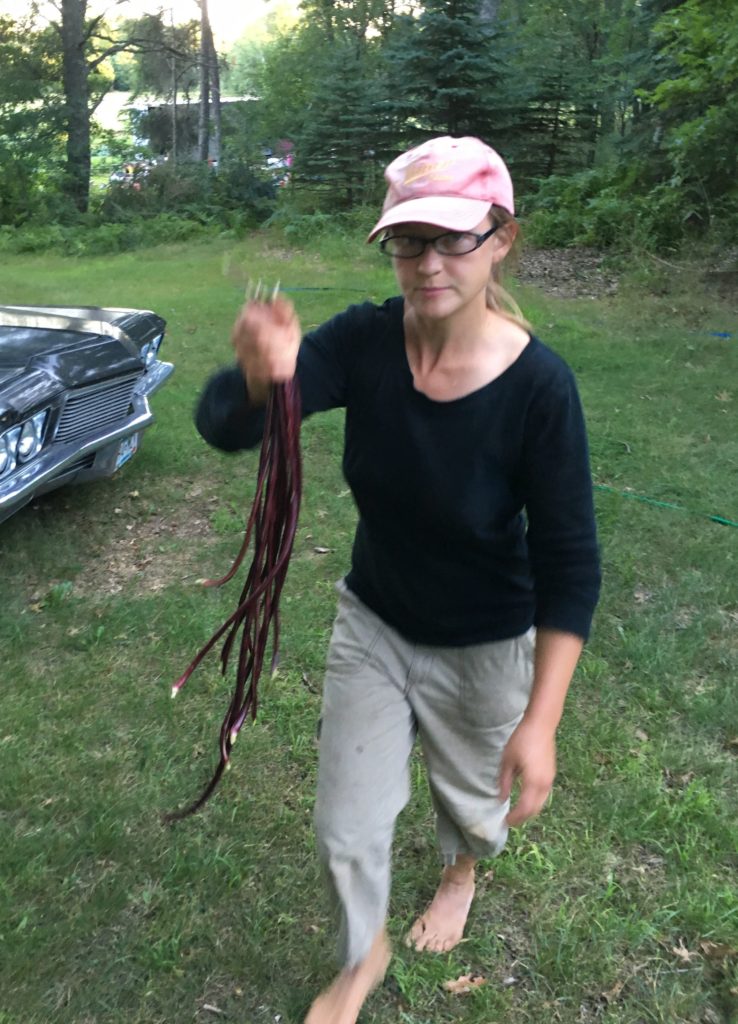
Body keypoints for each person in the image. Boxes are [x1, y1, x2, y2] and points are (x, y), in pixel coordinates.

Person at [195, 135, 601, 1024]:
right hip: (374, 623)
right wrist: (259, 377)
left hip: (487, 641)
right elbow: (225, 426)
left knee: (474, 802)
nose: (428, 263)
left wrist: (543, 719)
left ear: (501, 239)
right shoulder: (367, 341)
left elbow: (571, 560)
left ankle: (460, 873)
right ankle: (361, 952)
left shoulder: (540, 389)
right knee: (345, 824)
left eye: (453, 237)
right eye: (409, 239)